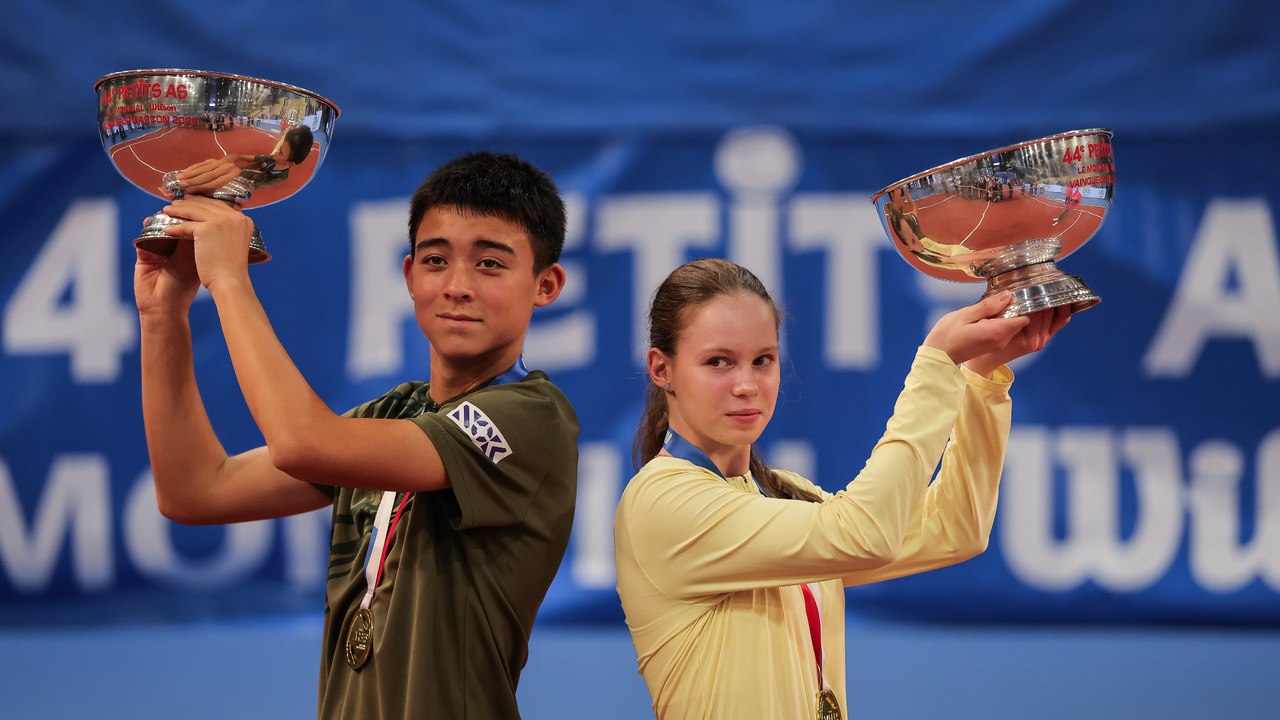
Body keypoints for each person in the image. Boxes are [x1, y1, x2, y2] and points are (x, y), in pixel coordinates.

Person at [135, 151, 579, 718]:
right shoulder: (397, 413)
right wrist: (162, 318)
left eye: (490, 264)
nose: (457, 286)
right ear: (409, 274)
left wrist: (227, 278)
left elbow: (302, 443)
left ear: (546, 285)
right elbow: (195, 491)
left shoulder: (531, 416)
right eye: (436, 259)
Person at [614, 258, 1070, 719]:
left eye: (763, 360)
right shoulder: (663, 500)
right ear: (661, 368)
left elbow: (956, 528)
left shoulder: (780, 491)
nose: (747, 385)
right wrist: (937, 363)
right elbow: (866, 532)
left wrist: (981, 377)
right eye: (718, 362)